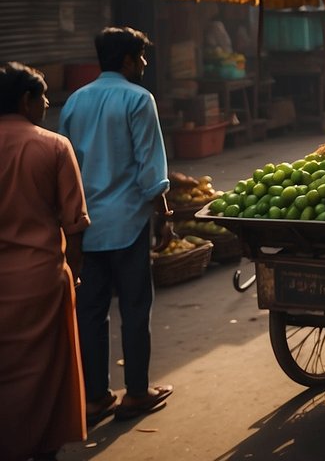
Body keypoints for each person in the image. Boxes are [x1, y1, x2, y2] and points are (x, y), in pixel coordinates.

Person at [59, 27, 173, 425]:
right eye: (140, 57)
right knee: (135, 308)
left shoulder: (74, 102)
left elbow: (67, 168)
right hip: (128, 223)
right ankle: (137, 393)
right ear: (126, 59)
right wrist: (164, 216)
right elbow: (150, 169)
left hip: (86, 228)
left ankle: (94, 397)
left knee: (90, 312)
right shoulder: (139, 99)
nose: (144, 63)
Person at [0, 62, 90, 460]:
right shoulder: (53, 145)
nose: (49, 103)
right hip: (41, 280)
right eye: (44, 95)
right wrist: (77, 275)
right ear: (26, 100)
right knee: (48, 375)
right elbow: (74, 226)